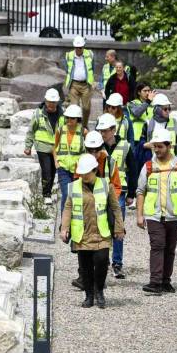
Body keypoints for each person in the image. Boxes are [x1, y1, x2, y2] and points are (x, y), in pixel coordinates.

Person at [61, 154, 125, 309]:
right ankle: (89, 296)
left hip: (101, 234)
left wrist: (119, 228)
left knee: (102, 262)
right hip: (82, 235)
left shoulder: (105, 185)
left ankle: (99, 290)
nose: (83, 176)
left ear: (95, 170)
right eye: (81, 173)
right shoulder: (73, 186)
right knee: (86, 267)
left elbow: (115, 208)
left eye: (87, 173)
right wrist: (64, 228)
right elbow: (68, 208)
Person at [136, 129, 177, 295]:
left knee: (170, 249)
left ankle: (165, 281)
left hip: (174, 216)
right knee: (157, 245)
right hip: (154, 215)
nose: (156, 150)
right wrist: (140, 215)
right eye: (155, 146)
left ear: (169, 146)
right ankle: (155, 282)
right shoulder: (148, 167)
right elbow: (140, 191)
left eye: (160, 146)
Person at [71, 130, 122, 290]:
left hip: (103, 209)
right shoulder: (82, 162)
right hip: (85, 208)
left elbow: (117, 185)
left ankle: (99, 279)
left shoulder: (111, 163)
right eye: (89, 150)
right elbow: (75, 184)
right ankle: (84, 277)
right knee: (82, 241)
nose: (93, 153)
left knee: (103, 244)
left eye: (96, 150)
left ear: (102, 147)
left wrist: (108, 198)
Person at [97, 113, 136, 279]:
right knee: (101, 226)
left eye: (105, 131)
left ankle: (117, 264)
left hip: (119, 192)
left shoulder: (125, 146)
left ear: (113, 130)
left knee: (118, 228)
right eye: (100, 131)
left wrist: (131, 194)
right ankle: (102, 260)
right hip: (99, 192)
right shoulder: (96, 146)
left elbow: (133, 170)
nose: (102, 134)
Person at [24, 88, 63, 205]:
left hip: (56, 148)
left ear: (57, 102)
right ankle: (46, 194)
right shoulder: (38, 113)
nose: (51, 105)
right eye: (49, 102)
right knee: (46, 170)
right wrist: (28, 146)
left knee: (53, 171)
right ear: (45, 101)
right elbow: (31, 130)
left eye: (54, 102)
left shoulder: (63, 115)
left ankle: (48, 190)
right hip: (42, 146)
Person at [53, 104, 87, 213]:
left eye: (72, 118)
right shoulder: (60, 130)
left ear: (78, 119)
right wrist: (56, 162)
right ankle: (64, 223)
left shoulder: (84, 132)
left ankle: (75, 220)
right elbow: (54, 147)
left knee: (76, 195)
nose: (69, 120)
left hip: (78, 170)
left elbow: (90, 150)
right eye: (67, 117)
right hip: (63, 168)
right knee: (67, 194)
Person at [64, 35, 95, 126]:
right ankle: (76, 126)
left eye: (80, 48)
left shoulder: (89, 54)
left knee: (86, 107)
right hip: (74, 84)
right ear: (74, 47)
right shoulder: (69, 55)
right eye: (77, 48)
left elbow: (92, 68)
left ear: (83, 46)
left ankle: (84, 126)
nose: (78, 50)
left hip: (86, 84)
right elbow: (67, 69)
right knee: (75, 107)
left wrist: (91, 81)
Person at [143, 93, 177, 159]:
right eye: (165, 109)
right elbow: (142, 144)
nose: (168, 111)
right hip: (153, 163)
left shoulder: (174, 122)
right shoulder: (148, 123)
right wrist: (145, 145)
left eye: (169, 109)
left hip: (171, 163)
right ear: (157, 109)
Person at [127, 83, 154, 179]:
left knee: (147, 166)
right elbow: (137, 113)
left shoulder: (152, 104)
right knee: (135, 165)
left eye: (149, 91)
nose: (147, 93)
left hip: (148, 140)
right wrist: (148, 102)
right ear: (139, 92)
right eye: (145, 91)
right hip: (136, 139)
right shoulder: (132, 103)